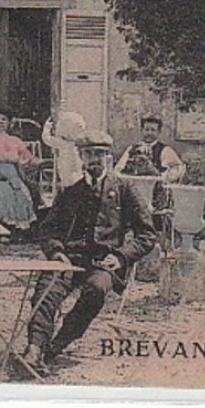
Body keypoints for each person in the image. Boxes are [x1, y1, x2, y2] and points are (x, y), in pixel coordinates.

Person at [21, 130, 157, 377]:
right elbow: (48, 229)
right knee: (47, 288)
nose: (94, 160)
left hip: (105, 263)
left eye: (99, 154)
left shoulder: (125, 189)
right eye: (89, 154)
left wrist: (121, 257)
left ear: (108, 158)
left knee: (95, 289)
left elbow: (147, 235)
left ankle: (57, 345)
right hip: (70, 260)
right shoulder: (71, 192)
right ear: (82, 158)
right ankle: (34, 348)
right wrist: (56, 251)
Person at [117, 112, 186, 213]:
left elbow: (177, 170)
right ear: (142, 130)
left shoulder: (165, 150)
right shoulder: (132, 149)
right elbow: (118, 169)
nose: (149, 133)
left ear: (158, 132)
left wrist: (161, 177)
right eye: (146, 130)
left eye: (153, 130)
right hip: (133, 191)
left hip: (155, 194)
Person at [41, 106, 88, 192]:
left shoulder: (65, 143)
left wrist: (47, 127)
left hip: (70, 170)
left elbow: (46, 138)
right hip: (72, 170)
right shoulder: (72, 144)